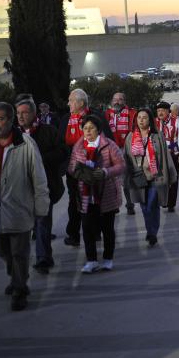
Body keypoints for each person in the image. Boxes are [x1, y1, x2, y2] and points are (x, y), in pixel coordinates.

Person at [0, 102, 49, 310]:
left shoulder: (26, 145)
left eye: (0, 119)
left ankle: (20, 291)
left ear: (11, 120)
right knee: (4, 252)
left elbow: (39, 179)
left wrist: (41, 209)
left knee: (19, 253)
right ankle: (16, 278)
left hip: (20, 211)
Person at [67, 115, 125, 271]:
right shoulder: (78, 146)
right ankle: (91, 260)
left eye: (91, 128)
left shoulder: (109, 145)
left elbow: (121, 165)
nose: (88, 131)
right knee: (87, 228)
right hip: (85, 195)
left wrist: (106, 172)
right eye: (85, 128)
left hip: (106, 194)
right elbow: (72, 166)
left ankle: (108, 258)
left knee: (107, 228)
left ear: (98, 130)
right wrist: (80, 173)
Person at [15, 98, 66, 275]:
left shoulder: (48, 131)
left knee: (43, 221)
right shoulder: (13, 135)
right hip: (21, 189)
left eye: (25, 112)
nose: (21, 117)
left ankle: (43, 258)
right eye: (18, 113)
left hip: (45, 185)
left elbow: (62, 151)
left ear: (34, 113)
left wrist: (41, 159)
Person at [58, 89, 112, 247]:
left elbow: (107, 140)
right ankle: (73, 234)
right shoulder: (66, 119)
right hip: (73, 168)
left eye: (71, 100)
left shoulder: (96, 118)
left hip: (92, 165)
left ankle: (95, 232)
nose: (68, 103)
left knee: (93, 200)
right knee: (74, 200)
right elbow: (60, 142)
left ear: (81, 103)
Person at [124, 109, 176, 246]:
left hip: (155, 176)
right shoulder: (130, 137)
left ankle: (152, 233)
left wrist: (170, 175)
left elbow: (165, 156)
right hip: (138, 177)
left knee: (152, 204)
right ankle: (150, 230)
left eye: (144, 117)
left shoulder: (157, 136)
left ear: (150, 120)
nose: (141, 120)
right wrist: (126, 176)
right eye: (139, 117)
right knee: (144, 206)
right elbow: (126, 158)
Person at [105, 92, 138, 215]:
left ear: (125, 101)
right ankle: (114, 205)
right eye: (115, 99)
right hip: (110, 149)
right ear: (111, 101)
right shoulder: (107, 115)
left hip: (126, 149)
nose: (117, 102)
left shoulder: (132, 113)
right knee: (112, 180)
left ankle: (129, 203)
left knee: (126, 179)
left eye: (120, 99)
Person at [156, 101, 179, 212]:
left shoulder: (176, 121)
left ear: (168, 111)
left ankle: (171, 203)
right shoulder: (154, 122)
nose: (160, 113)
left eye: (162, 110)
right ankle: (164, 200)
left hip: (173, 154)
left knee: (173, 179)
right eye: (158, 111)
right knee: (161, 180)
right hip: (159, 156)